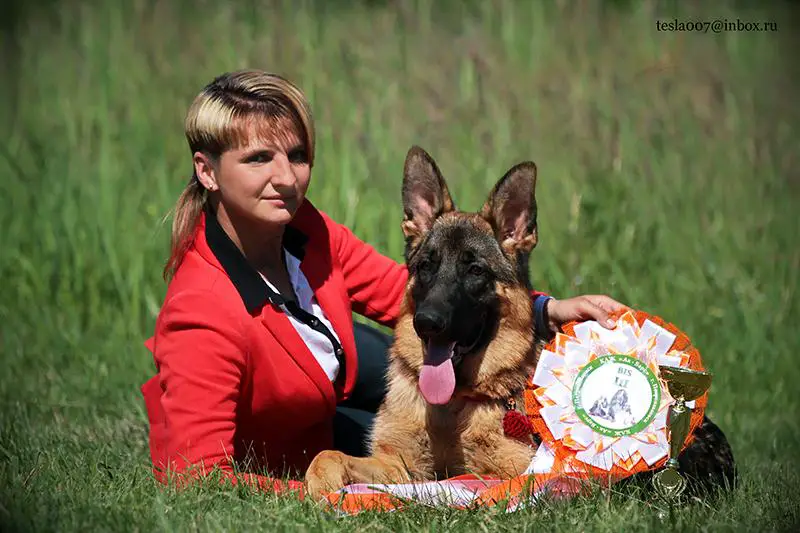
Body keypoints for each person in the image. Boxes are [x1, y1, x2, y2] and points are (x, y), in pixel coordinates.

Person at [140, 69, 628, 496]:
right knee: (399, 424)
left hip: (327, 395)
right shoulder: (201, 310)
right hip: (295, 443)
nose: (286, 177)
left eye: (297, 154)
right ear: (207, 171)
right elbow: (194, 480)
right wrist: (334, 495)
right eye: (258, 159)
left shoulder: (306, 230)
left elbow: (414, 292)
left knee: (411, 354)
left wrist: (545, 309)